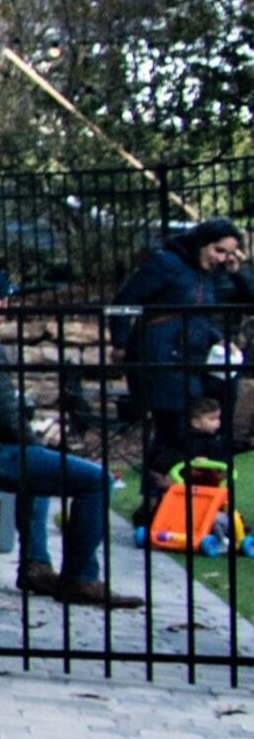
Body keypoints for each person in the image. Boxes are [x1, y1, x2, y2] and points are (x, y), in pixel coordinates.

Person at [0, 266, 137, 608]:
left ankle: (36, 564)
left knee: (38, 465)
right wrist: (35, 440)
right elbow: (3, 411)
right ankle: (81, 577)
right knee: (97, 481)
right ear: (1, 305)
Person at [113, 217, 243, 526]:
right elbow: (125, 300)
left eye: (228, 253)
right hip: (161, 359)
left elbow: (199, 318)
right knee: (173, 429)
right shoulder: (168, 265)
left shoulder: (205, 275)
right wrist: (119, 342)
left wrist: (218, 339)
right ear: (202, 243)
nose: (223, 258)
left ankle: (176, 504)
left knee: (184, 432)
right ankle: (157, 504)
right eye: (219, 250)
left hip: (188, 360)